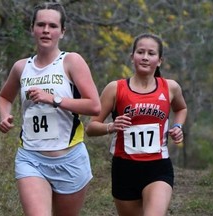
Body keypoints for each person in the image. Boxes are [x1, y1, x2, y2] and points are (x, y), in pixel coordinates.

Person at [0, 2, 101, 216]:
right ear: (32, 28)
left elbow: (94, 106)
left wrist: (53, 99)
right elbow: (4, 97)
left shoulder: (71, 61)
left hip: (69, 158)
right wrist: (5, 115)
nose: (46, 30)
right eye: (41, 24)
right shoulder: (21, 67)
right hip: (31, 158)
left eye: (53, 26)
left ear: (62, 31)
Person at [86, 33, 187, 216]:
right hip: (124, 169)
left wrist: (178, 127)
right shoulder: (115, 88)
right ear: (132, 57)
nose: (145, 57)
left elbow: (181, 108)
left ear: (160, 60)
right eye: (140, 52)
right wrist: (111, 126)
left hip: (158, 168)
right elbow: (91, 128)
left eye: (151, 53)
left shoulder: (170, 87)